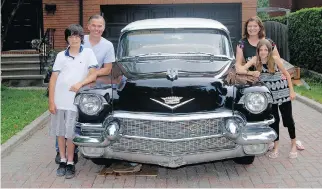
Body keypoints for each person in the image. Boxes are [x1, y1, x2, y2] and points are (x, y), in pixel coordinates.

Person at [239, 39, 304, 158]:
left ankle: (293, 144)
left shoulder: (274, 59)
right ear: (257, 50)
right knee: (274, 121)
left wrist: (292, 91)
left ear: (269, 51)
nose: (263, 52)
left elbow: (287, 74)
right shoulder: (255, 60)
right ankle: (276, 146)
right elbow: (241, 70)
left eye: (266, 50)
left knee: (288, 119)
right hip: (270, 97)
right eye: (261, 50)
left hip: (283, 93)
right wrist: (251, 73)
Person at [49, 24, 98, 178]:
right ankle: (62, 161)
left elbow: (93, 74)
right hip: (59, 100)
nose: (74, 39)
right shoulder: (60, 56)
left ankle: (70, 163)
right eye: (70, 36)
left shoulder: (88, 53)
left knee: (71, 134)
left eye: (77, 36)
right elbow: (53, 79)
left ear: (81, 38)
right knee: (60, 132)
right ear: (67, 39)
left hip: (74, 102)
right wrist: (51, 101)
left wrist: (80, 84)